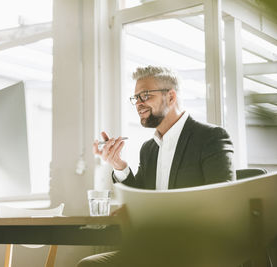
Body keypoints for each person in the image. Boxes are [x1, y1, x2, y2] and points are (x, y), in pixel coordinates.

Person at [78, 65, 235, 267]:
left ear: (170, 97)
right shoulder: (149, 149)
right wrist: (118, 164)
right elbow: (140, 198)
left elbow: (222, 200)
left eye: (145, 96)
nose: (138, 104)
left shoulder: (210, 137)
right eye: (136, 98)